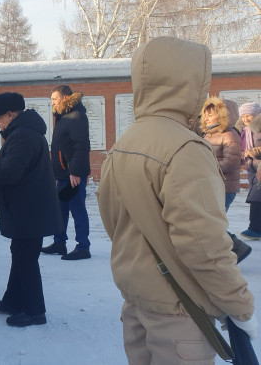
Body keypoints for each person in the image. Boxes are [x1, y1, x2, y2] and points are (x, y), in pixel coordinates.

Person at [97, 37, 256, 363]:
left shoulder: (125, 141)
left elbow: (113, 219)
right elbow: (204, 244)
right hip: (179, 311)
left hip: (137, 300)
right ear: (191, 83)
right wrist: (240, 306)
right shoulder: (185, 149)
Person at [0, 92, 63, 327]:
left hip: (29, 210)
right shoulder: (23, 133)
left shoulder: (22, 136)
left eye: (0, 119)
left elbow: (10, 173)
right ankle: (13, 300)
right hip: (29, 208)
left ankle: (35, 312)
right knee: (21, 255)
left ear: (11, 114)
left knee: (26, 259)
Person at [41, 85, 92, 260]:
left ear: (65, 98)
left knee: (77, 210)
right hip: (64, 175)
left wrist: (76, 172)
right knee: (60, 209)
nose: (52, 102)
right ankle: (59, 243)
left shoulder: (76, 116)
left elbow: (81, 146)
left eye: (54, 98)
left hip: (73, 175)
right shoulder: (64, 116)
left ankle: (83, 247)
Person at [200, 97, 252, 262]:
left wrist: (206, 166)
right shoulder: (208, 135)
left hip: (225, 187)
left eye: (211, 115)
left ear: (223, 116)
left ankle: (237, 248)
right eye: (205, 115)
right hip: (212, 185)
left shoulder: (229, 135)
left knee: (213, 223)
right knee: (209, 221)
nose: (206, 118)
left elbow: (231, 161)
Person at [239, 101, 261, 240]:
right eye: (243, 116)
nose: (246, 119)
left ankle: (254, 229)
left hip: (259, 167)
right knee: (256, 198)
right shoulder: (244, 132)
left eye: (249, 115)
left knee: (256, 198)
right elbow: (243, 149)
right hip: (251, 167)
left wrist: (254, 151)